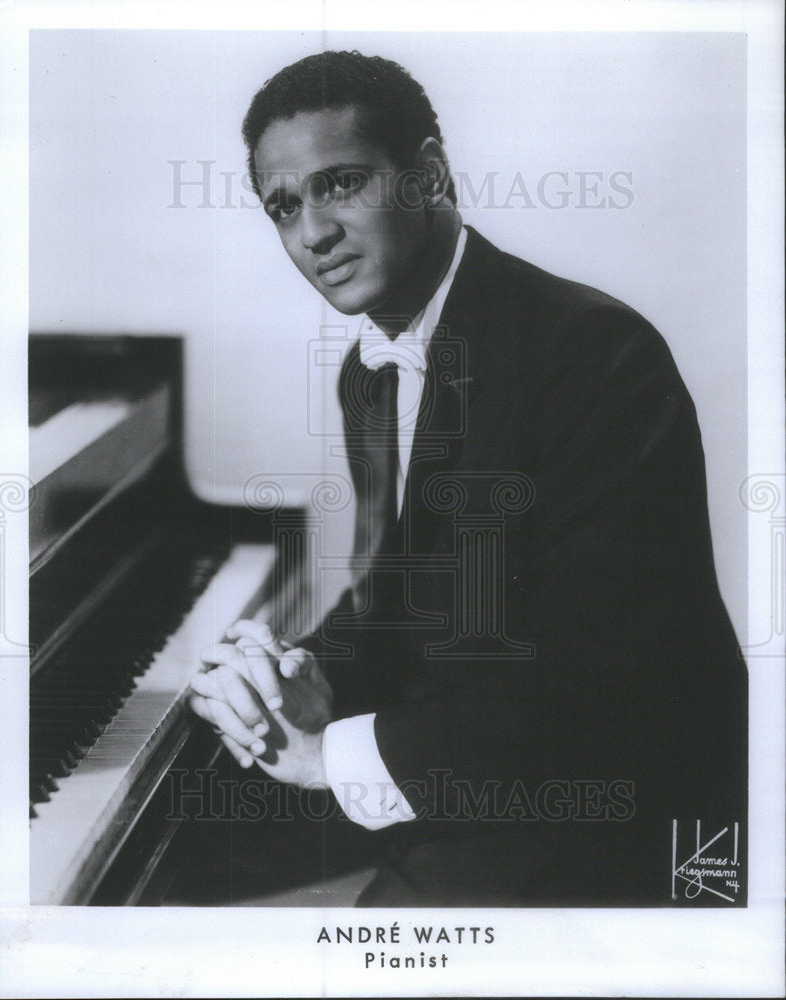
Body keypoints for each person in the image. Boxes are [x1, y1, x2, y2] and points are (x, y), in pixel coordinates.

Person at [187, 50, 747, 906]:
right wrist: (292, 671)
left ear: (429, 173)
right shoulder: (367, 374)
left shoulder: (594, 353)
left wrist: (324, 757)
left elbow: (601, 686)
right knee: (184, 855)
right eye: (284, 205)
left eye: (340, 183)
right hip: (477, 765)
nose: (312, 233)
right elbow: (398, 604)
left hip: (620, 814)